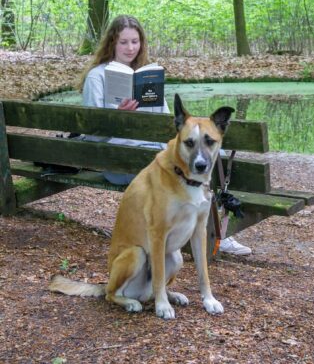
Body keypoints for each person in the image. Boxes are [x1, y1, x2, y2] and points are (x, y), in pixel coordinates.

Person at [79, 14, 251, 255]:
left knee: (210, 154)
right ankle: (198, 234)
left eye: (135, 42)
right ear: (112, 43)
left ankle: (212, 233)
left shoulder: (147, 76)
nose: (130, 48)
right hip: (118, 163)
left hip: (152, 156)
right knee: (182, 170)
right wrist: (117, 117)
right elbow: (91, 136)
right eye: (123, 42)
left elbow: (171, 129)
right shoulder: (97, 77)